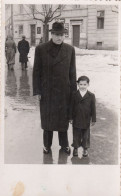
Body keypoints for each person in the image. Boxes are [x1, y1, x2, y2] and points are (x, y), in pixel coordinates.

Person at [33, 22, 77, 155]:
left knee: (63, 120)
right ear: (51, 34)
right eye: (57, 34)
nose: (59, 37)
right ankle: (47, 145)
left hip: (64, 91)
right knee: (48, 120)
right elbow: (36, 72)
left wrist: (74, 93)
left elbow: (72, 72)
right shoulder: (41, 49)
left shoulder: (70, 50)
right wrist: (37, 91)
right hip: (48, 91)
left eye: (62, 35)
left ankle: (64, 145)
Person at [70, 76, 96, 157]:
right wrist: (70, 118)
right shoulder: (74, 94)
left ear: (88, 85)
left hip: (86, 119)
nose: (82, 86)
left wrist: (93, 119)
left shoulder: (91, 95)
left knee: (86, 135)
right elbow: (70, 107)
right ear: (78, 84)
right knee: (76, 134)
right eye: (80, 84)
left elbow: (93, 108)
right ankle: (75, 148)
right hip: (76, 118)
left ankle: (85, 148)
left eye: (85, 84)